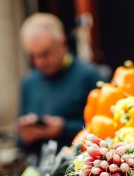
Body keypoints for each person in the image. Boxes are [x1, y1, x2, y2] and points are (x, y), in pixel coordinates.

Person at [17, 13, 103, 159]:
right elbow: (20, 141)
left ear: (62, 43)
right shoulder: (29, 82)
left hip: (82, 165)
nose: (39, 62)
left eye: (45, 54)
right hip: (40, 166)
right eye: (33, 56)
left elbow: (105, 129)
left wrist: (63, 129)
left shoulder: (89, 75)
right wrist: (25, 134)